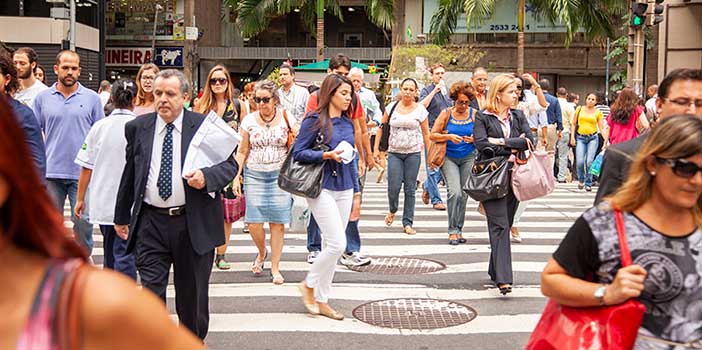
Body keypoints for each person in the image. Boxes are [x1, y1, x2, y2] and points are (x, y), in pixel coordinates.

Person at [0, 98, 204, 350]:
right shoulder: (122, 126)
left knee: (130, 262)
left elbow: (96, 166)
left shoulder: (93, 305)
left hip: (158, 217)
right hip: (123, 211)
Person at [541, 115, 702, 349]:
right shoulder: (605, 222)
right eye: (685, 168)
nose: (697, 180)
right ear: (652, 164)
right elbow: (551, 280)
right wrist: (606, 292)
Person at [114, 69, 238, 339]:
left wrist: (207, 177)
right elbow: (131, 172)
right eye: (158, 93)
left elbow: (230, 165)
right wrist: (121, 214)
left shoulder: (204, 126)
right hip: (151, 223)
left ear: (185, 96)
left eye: (170, 94)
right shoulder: (138, 127)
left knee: (191, 297)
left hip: (191, 223)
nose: (162, 100)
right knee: (150, 293)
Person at [293, 73, 361, 321]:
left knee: (333, 249)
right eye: (343, 93)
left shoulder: (347, 123)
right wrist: (325, 155)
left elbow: (352, 159)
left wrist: (356, 193)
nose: (348, 98)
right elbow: (298, 153)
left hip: (344, 186)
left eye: (350, 94)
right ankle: (308, 284)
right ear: (330, 93)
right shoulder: (314, 120)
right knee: (337, 244)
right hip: (321, 186)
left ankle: (322, 300)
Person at [303, 54, 375, 267]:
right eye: (338, 74)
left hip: (346, 156)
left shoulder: (352, 97)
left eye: (346, 75)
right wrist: (324, 153)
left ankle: (350, 250)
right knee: (320, 206)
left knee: (352, 202)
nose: (343, 78)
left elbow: (359, 128)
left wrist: (365, 156)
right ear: (329, 73)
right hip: (321, 160)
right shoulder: (316, 97)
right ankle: (315, 248)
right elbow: (309, 132)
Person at [595, 68, 702, 204]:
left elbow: (608, 127)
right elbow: (602, 218)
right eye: (682, 101)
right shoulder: (621, 156)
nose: (692, 110)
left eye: (700, 104)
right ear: (659, 105)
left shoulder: (618, 110)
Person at [34, 50, 104, 255]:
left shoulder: (92, 99)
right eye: (65, 67)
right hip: (51, 173)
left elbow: (99, 135)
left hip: (81, 174)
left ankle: (83, 259)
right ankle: (54, 262)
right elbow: (35, 132)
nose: (69, 72)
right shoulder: (42, 98)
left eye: (74, 68)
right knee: (50, 224)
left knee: (83, 222)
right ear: (56, 69)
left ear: (80, 71)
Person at [472, 74, 534, 295]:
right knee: (499, 225)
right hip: (491, 176)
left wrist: (501, 142)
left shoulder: (518, 115)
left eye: (516, 91)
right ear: (498, 94)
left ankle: (494, 269)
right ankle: (504, 279)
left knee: (505, 223)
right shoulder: (483, 116)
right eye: (511, 91)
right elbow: (481, 145)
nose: (516, 93)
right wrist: (512, 145)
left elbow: (529, 142)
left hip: (514, 175)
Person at [74, 79, 138, 280]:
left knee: (110, 252)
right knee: (125, 254)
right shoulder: (140, 126)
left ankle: (110, 295)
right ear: (134, 99)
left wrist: (80, 198)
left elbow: (86, 165)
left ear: (111, 98)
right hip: (130, 202)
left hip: (103, 201)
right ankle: (123, 299)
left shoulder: (99, 127)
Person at [231, 80, 292, 284]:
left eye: (266, 99)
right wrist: (235, 177)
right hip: (254, 174)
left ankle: (275, 268)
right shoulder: (249, 120)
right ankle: (261, 251)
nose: (262, 104)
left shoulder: (285, 117)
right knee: (254, 222)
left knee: (278, 224)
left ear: (275, 99)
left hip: (280, 176)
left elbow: (295, 143)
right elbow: (242, 151)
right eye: (257, 100)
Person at [194, 64, 241, 270]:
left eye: (222, 80)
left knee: (226, 214)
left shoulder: (238, 106)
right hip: (206, 163)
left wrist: (238, 173)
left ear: (228, 82)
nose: (218, 84)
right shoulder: (201, 106)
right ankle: (206, 249)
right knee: (204, 208)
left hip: (229, 165)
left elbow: (243, 142)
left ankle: (221, 253)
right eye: (214, 81)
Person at [375, 78, 431, 235]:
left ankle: (407, 222)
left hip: (413, 153)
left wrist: (430, 154)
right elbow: (381, 128)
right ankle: (392, 209)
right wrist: (376, 150)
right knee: (393, 187)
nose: (407, 92)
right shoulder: (391, 107)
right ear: (400, 90)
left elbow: (426, 134)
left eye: (411, 89)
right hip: (394, 153)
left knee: (410, 189)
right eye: (405, 88)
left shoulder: (420, 110)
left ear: (415, 92)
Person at [430, 81, 478, 245]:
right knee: (454, 192)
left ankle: (459, 229)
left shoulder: (474, 115)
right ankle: (452, 230)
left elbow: (482, 136)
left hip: (468, 157)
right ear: (453, 100)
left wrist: (474, 139)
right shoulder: (446, 113)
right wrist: (449, 137)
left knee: (464, 194)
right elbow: (433, 135)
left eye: (466, 102)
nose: (463, 105)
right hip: (449, 157)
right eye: (460, 102)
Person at [510, 73, 548, 243]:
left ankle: (514, 223)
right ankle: (503, 222)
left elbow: (543, 104)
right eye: (512, 87)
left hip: (522, 151)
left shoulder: (524, 105)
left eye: (519, 87)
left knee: (525, 190)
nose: (516, 91)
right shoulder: (497, 104)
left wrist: (534, 83)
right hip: (502, 151)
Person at [1, 52, 46, 178]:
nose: (19, 66)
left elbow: (36, 160)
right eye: (15, 63)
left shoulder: (23, 114)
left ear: (7, 79)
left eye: (22, 63)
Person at [419, 63, 451, 211]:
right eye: (437, 73)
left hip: (446, 131)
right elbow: (421, 106)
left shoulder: (447, 91)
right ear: (432, 75)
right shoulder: (427, 90)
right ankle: (436, 199)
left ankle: (427, 186)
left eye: (442, 73)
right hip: (431, 131)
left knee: (445, 165)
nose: (440, 76)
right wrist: (435, 91)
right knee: (432, 165)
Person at [570, 92, 608, 192]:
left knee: (589, 161)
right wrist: (572, 137)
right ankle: (581, 179)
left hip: (593, 138)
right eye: (589, 98)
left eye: (593, 99)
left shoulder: (598, 112)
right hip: (580, 138)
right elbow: (573, 124)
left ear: (596, 102)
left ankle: (588, 183)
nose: (590, 101)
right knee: (580, 161)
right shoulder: (579, 109)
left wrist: (606, 141)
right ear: (586, 99)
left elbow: (602, 128)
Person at [13, 47, 48, 111]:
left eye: (22, 63)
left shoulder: (43, 92)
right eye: (15, 63)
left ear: (33, 65)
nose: (18, 67)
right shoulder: (9, 89)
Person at [278, 63, 310, 131]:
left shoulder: (303, 92)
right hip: (281, 133)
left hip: (299, 133)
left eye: (285, 74)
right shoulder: (276, 94)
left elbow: (309, 115)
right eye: (280, 75)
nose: (282, 77)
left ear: (292, 76)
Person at [539, 79, 563, 157]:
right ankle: (549, 169)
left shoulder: (536, 98)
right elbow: (559, 116)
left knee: (538, 152)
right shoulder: (554, 100)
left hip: (538, 127)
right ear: (548, 87)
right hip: (551, 127)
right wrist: (559, 130)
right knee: (550, 152)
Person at [556, 87, 574, 183]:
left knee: (549, 154)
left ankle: (549, 175)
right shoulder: (569, 106)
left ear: (556, 94)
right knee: (563, 156)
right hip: (565, 131)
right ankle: (561, 177)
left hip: (552, 130)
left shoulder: (553, 103)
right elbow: (572, 122)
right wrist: (573, 137)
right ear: (566, 95)